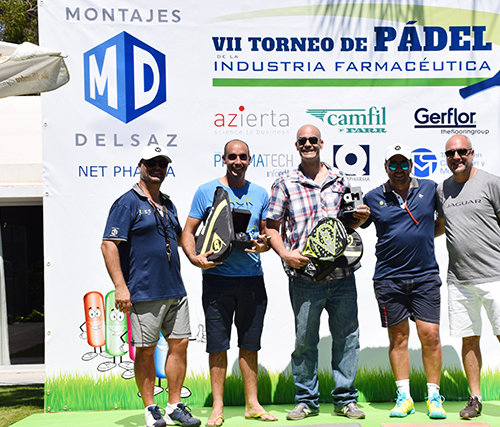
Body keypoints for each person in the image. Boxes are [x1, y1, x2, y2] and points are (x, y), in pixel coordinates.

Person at [265, 124, 370, 421]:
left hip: (342, 275)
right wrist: (285, 253)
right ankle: (306, 400)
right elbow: (271, 226)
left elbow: (351, 221)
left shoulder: (340, 178)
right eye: (303, 141)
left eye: (313, 140)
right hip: (305, 276)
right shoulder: (285, 182)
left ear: (321, 143)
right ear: (296, 146)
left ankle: (345, 399)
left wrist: (361, 218)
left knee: (348, 337)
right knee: (305, 340)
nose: (308, 144)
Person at [101, 146, 201, 427]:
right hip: (144, 291)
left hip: (175, 290)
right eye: (151, 163)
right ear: (140, 165)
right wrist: (121, 287)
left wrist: (198, 257)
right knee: (145, 350)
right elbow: (108, 244)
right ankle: (150, 409)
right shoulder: (127, 202)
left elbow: (182, 239)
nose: (157, 167)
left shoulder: (168, 203)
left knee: (179, 345)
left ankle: (174, 406)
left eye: (162, 163)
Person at [180, 139, 275, 426]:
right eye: (232, 157)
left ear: (250, 160)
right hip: (217, 280)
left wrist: (263, 246)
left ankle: (252, 404)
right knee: (218, 345)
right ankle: (217, 407)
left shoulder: (259, 193)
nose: (237, 161)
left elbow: (266, 235)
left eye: (242, 157)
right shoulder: (206, 191)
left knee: (249, 344)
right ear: (223, 158)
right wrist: (195, 258)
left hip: (251, 280)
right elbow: (188, 232)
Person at [436, 134, 500, 424]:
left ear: (472, 153)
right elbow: (440, 227)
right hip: (459, 280)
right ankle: (474, 398)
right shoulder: (442, 190)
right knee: (469, 339)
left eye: (461, 151)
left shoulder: (491, 182)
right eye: (451, 153)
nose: (456, 157)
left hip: (494, 276)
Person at [360, 144, 446, 419]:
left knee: (430, 336)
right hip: (388, 279)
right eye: (392, 165)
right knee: (398, 338)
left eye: (403, 164)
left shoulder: (430, 189)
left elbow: (441, 222)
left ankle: (434, 396)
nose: (398, 170)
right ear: (386, 167)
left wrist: (419, 236)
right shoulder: (373, 197)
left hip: (425, 277)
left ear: (411, 164)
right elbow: (356, 224)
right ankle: (404, 397)